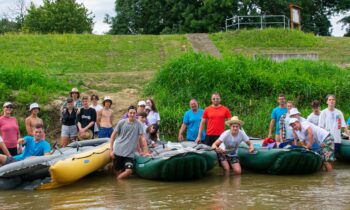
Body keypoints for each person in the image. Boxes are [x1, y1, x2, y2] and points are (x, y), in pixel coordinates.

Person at [109, 106, 149, 180]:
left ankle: (118, 183)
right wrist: (111, 150)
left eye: (134, 113)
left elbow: (142, 138)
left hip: (129, 153)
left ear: (136, 114)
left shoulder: (139, 124)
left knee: (128, 171)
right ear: (128, 113)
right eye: (131, 113)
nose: (132, 114)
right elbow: (113, 136)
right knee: (118, 172)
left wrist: (146, 152)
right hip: (118, 151)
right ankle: (118, 185)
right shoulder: (122, 122)